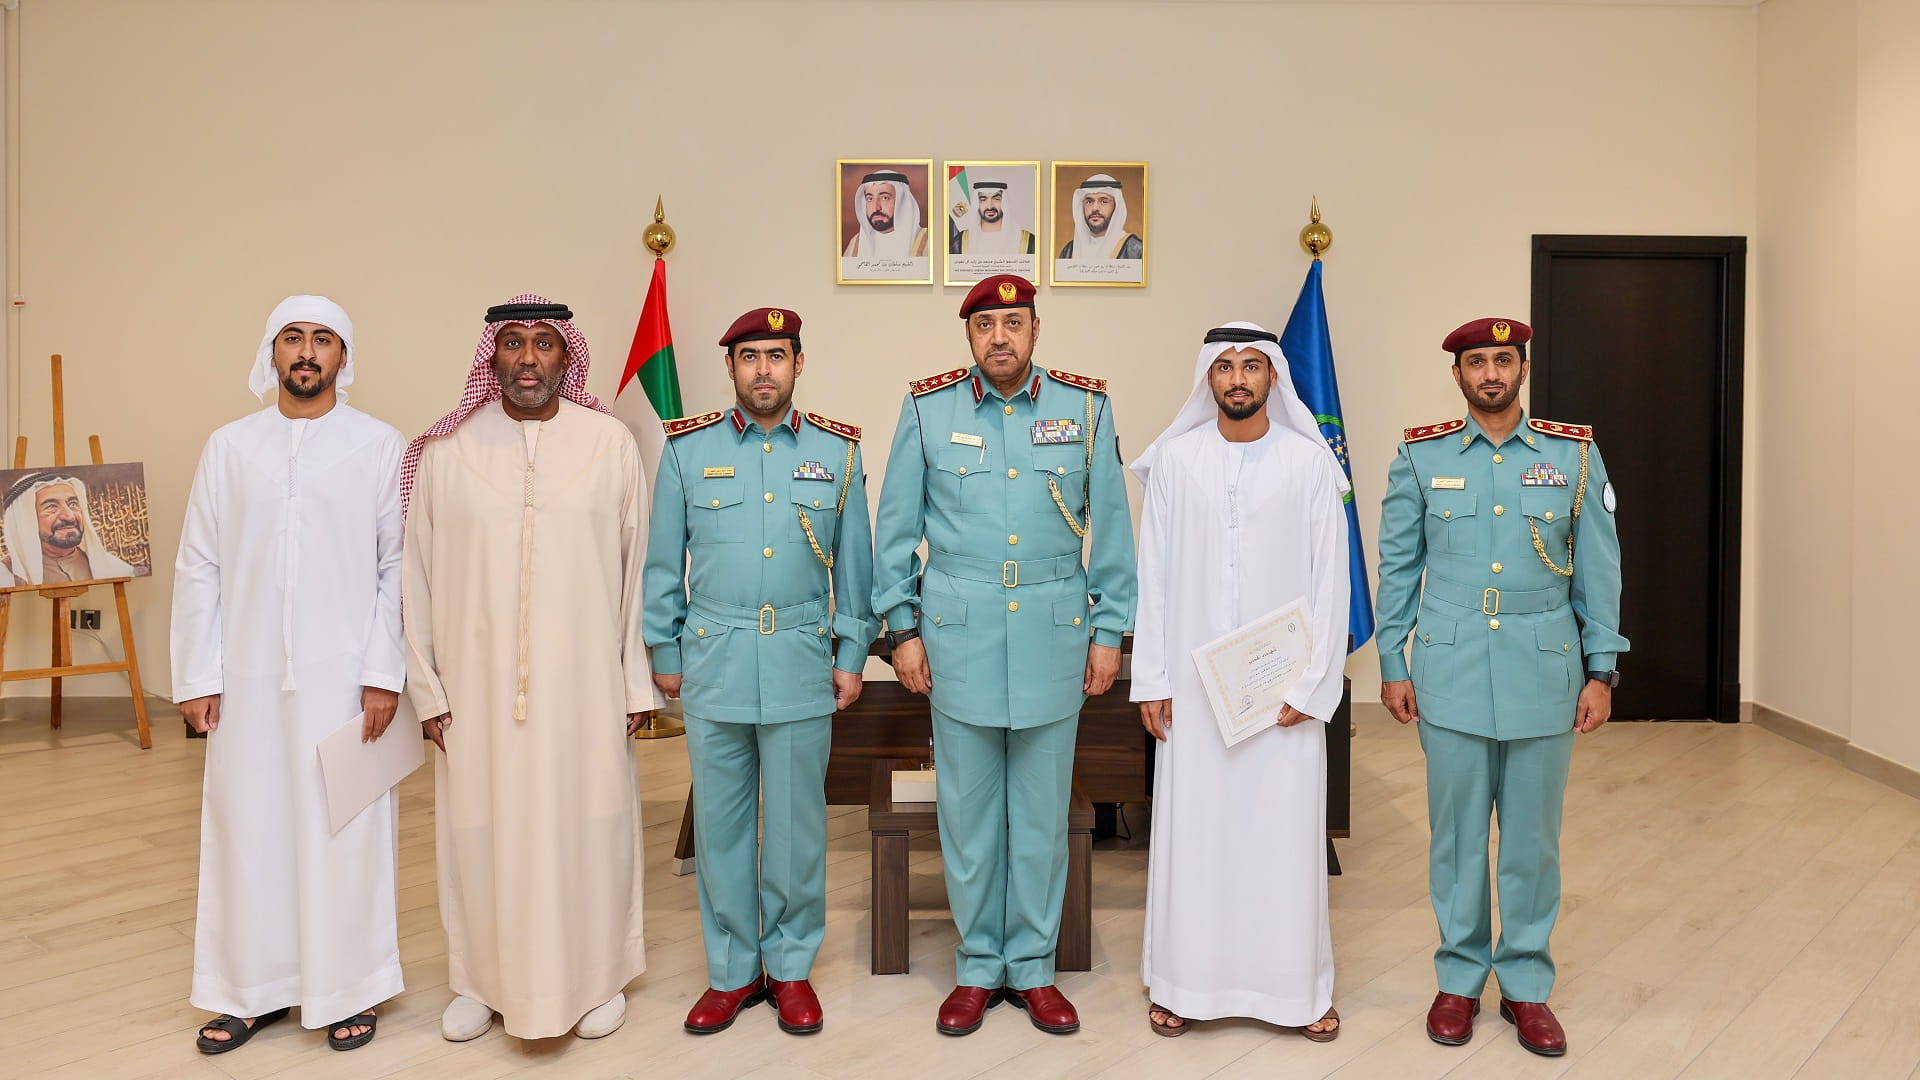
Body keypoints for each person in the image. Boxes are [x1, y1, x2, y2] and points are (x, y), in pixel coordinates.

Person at [871, 273, 1136, 1036]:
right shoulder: (928, 408)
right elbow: (894, 533)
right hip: (957, 638)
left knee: (1043, 816)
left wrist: (1109, 633)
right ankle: (979, 965)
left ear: (1035, 330)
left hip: (1054, 634)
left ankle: (1034, 967)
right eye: (985, 323)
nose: (999, 337)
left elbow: (1112, 531)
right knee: (969, 815)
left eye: (1013, 323)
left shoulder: (1085, 408)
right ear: (969, 335)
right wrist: (903, 632)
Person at [401, 295, 660, 1042]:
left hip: (587, 690)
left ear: (565, 357)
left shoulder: (609, 444)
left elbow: (637, 570)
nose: (527, 358)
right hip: (475, 694)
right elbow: (413, 577)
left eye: (544, 343)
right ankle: (480, 983)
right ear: (492, 356)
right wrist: (427, 689)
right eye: (513, 342)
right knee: (480, 835)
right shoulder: (447, 452)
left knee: (591, 829)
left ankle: (598, 979)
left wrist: (633, 683)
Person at [1375, 316, 1627, 1057]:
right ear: (1457, 374)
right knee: (1456, 838)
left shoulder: (1572, 454)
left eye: (1504, 360)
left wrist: (1602, 669)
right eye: (1478, 362)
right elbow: (1397, 567)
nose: (1491, 373)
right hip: (1449, 668)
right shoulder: (1420, 456)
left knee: (1531, 841)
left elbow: (1600, 568)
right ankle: (1458, 980)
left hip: (1544, 668)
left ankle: (1525, 986)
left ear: (1523, 369)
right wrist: (1392, 661)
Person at [172, 295, 404, 1054]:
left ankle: (349, 988)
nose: (307, 352)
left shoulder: (380, 446)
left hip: (345, 684)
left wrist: (383, 672)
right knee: (248, 829)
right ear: (271, 353)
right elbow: (199, 564)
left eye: (323, 339)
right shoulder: (229, 447)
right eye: (293, 338)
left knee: (346, 831)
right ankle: (249, 991)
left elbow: (397, 566)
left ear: (344, 356)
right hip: (246, 682)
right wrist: (197, 675)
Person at [644, 306, 875, 1037]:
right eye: (749, 357)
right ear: (731, 368)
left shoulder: (838, 452)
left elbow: (858, 571)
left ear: (798, 364)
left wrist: (850, 654)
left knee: (799, 828)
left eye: (777, 355)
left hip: (802, 659)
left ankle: (791, 965)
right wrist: (664, 650)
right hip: (714, 659)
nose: (763, 370)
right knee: (721, 826)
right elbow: (661, 564)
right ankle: (732, 971)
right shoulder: (686, 449)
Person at [1129, 322, 1349, 1040]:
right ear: (1208, 379)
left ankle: (1298, 992)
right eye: (1224, 367)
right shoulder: (1177, 462)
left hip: (1283, 696)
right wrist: (1152, 677)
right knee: (1196, 838)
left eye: (1251, 366)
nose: (1237, 379)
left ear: (1273, 377)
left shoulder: (1309, 464)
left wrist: (1311, 686)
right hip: (1194, 695)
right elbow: (1154, 577)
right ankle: (1182, 985)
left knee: (1282, 839)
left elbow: (1331, 583)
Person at [2, 471, 143, 584]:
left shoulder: (115, 569)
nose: (69, 516)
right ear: (26, 520)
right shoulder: (5, 577)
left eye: (73, 504)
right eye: (51, 507)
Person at [844, 170, 929, 257]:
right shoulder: (856, 244)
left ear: (902, 202)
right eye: (870, 199)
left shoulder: (928, 242)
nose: (876, 208)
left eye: (885, 198)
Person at [1056, 174, 1142, 260]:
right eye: (1089, 202)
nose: (1095, 208)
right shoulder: (1069, 251)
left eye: (1103, 201)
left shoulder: (1135, 249)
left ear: (1116, 207)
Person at [949, 181, 1036, 255]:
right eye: (983, 199)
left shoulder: (1027, 241)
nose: (990, 206)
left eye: (996, 199)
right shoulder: (960, 242)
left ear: (1004, 203)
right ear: (977, 204)